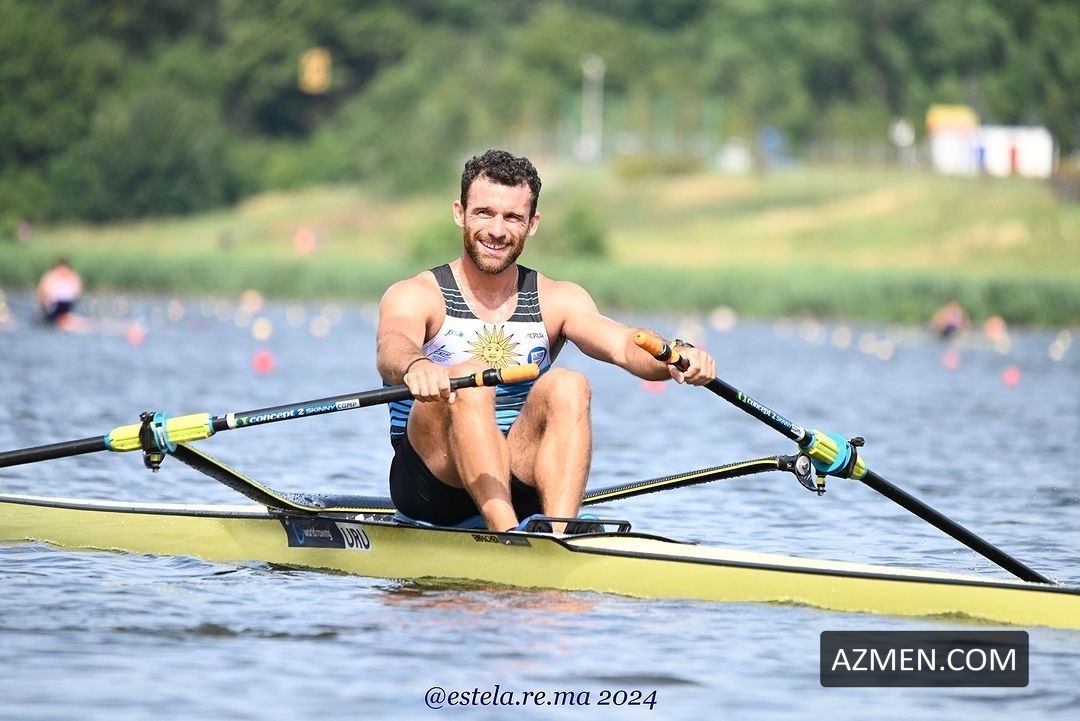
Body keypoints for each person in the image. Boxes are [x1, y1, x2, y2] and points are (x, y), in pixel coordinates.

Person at [375, 149, 717, 533]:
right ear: (460, 213)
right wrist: (417, 366)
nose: (497, 230)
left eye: (512, 217)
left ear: (532, 224)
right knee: (469, 376)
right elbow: (392, 345)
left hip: (518, 473)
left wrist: (675, 355)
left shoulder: (557, 299)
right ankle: (509, 536)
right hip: (433, 484)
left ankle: (558, 533)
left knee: (569, 384)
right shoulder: (417, 294)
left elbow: (623, 345)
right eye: (484, 213)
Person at [36, 257, 83, 324]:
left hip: (66, 305)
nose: (62, 271)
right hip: (53, 305)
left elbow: (77, 293)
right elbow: (41, 294)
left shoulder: (73, 276)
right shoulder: (49, 277)